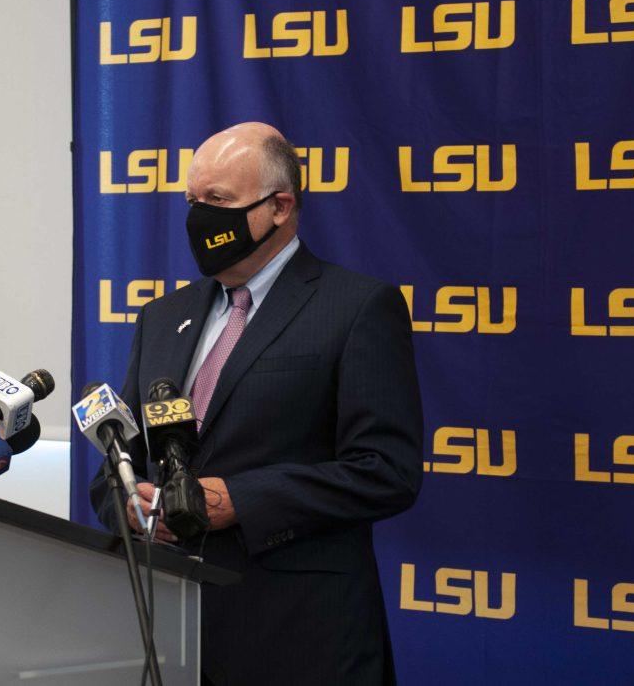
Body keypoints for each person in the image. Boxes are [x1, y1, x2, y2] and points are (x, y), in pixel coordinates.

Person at [90, 122, 424, 685]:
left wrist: (239, 499)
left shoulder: (358, 308)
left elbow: (386, 471)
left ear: (280, 207)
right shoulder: (163, 318)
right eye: (193, 200)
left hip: (299, 640)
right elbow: (117, 455)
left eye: (218, 201)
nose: (199, 217)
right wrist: (128, 504)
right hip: (170, 633)